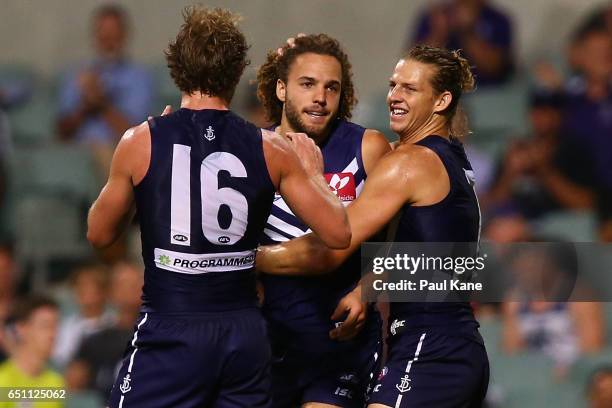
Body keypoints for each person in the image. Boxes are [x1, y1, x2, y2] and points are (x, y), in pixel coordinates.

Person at [86, 6, 351, 408]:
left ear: (176, 66)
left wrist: (147, 177)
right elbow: (338, 233)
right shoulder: (272, 148)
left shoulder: (142, 141)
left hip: (171, 328)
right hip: (243, 334)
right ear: (239, 70)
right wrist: (314, 174)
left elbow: (99, 235)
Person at [257, 45, 489, 407]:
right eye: (393, 85)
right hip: (450, 343)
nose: (394, 97)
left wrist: (241, 259)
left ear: (442, 101)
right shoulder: (447, 155)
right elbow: (417, 251)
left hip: (430, 345)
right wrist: (367, 286)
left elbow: (332, 245)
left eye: (409, 89)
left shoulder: (409, 163)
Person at [256, 34, 390, 408]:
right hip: (265, 343)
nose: (321, 97)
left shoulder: (368, 148)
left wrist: (367, 289)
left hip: (339, 346)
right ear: (281, 89)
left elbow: (403, 242)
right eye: (308, 84)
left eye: (332, 87)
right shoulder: (250, 150)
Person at [56, 4, 153, 176]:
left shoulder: (138, 77)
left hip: (115, 149)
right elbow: (61, 133)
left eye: (114, 32)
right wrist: (85, 105)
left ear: (124, 35)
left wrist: (101, 105)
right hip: (77, 152)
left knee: (111, 157)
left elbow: (138, 134)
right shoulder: (77, 75)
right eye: (104, 32)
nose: (109, 38)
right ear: (95, 35)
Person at [66, 261, 144, 399]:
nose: (131, 289)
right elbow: (72, 387)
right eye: (123, 284)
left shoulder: (160, 337)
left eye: (136, 283)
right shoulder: (94, 342)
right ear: (111, 292)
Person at [410, 0, 514, 86]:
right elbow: (415, 64)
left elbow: (494, 67)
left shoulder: (498, 20)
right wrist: (439, 33)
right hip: (440, 91)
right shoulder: (436, 16)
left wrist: (467, 31)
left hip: (487, 93)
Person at [0, 295, 65, 408]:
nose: (53, 334)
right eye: (45, 326)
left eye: (55, 326)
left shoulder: (56, 382)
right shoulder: (3, 381)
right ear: (21, 329)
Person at [52, 263, 115, 368]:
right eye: (79, 285)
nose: (82, 290)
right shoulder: (66, 326)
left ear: (103, 291)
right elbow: (59, 360)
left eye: (89, 285)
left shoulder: (114, 323)